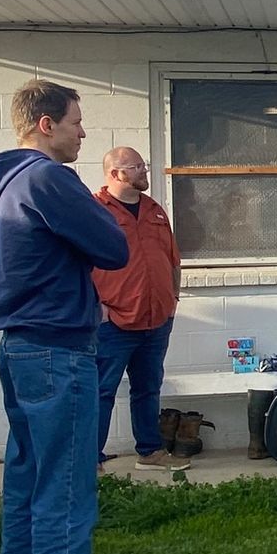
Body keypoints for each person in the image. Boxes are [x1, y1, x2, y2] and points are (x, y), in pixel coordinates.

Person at [0, 80, 135, 554]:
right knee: (65, 486)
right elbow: (115, 247)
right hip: (58, 350)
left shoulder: (10, 181)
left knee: (27, 479)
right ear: (45, 124)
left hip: (20, 348)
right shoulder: (47, 178)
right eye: (76, 122)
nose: (83, 131)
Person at [91, 147, 186, 473]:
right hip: (113, 322)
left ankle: (150, 451)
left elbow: (173, 258)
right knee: (101, 391)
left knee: (148, 388)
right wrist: (96, 306)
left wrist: (172, 299)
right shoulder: (94, 210)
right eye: (137, 167)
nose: (145, 171)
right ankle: (91, 460)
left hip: (157, 319)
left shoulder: (154, 210)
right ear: (117, 174)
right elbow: (77, 264)